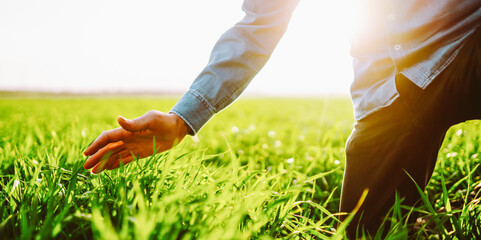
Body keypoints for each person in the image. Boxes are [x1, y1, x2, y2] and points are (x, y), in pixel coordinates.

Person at [83, 0, 481, 237]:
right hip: (388, 91)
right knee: (364, 232)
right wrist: (182, 119)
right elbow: (258, 27)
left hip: (467, 41)